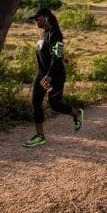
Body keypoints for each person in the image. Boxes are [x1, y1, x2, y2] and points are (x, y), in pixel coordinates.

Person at [24, 8, 83, 148]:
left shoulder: (55, 34)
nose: (35, 21)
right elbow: (55, 53)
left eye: (37, 18)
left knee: (54, 104)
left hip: (54, 76)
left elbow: (56, 57)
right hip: (41, 74)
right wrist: (61, 58)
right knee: (36, 103)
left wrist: (49, 75)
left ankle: (76, 113)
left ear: (45, 17)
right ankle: (40, 136)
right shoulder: (44, 33)